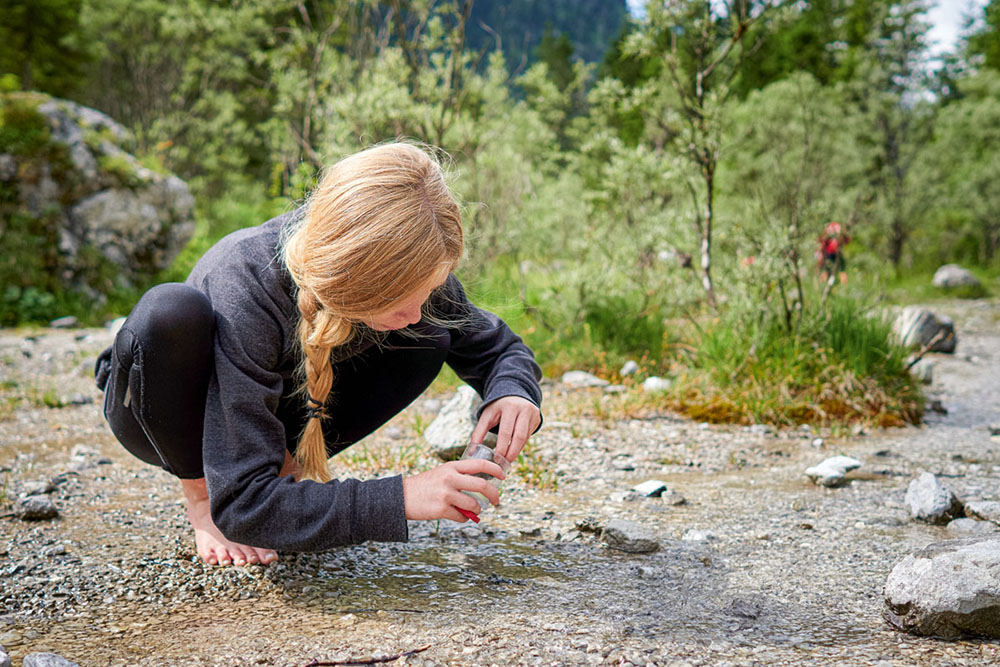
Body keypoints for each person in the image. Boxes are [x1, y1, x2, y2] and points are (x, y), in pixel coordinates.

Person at [93, 142, 543, 567]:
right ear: (354, 278)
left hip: (272, 409)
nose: (415, 312)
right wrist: (402, 496)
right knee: (170, 311)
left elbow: (497, 346)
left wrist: (514, 393)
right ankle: (200, 495)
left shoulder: (415, 271)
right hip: (163, 414)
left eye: (426, 292)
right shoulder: (245, 282)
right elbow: (244, 507)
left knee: (432, 335)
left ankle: (283, 474)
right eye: (402, 299)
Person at [817, 221, 850, 285]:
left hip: (832, 253)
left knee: (829, 270)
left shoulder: (830, 228)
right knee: (839, 270)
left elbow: (822, 242)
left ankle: (824, 285)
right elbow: (846, 240)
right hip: (832, 253)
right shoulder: (836, 228)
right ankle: (842, 286)